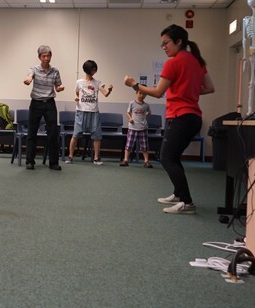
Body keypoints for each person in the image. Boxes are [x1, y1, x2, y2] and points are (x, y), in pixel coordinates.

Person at [123, 24, 215, 215]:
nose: (164, 47)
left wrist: (134, 84)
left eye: (166, 43)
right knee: (173, 157)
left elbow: (157, 92)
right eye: (162, 44)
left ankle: (187, 203)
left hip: (181, 117)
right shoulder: (197, 60)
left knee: (166, 157)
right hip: (193, 118)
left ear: (179, 41)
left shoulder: (173, 62)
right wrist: (187, 88)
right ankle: (178, 194)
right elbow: (209, 88)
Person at [22, 45, 65, 170]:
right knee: (32, 133)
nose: (46, 58)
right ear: (39, 57)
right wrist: (28, 79)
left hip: (50, 103)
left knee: (53, 133)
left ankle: (53, 162)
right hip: (36, 103)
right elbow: (29, 76)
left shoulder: (55, 71)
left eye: (48, 56)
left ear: (51, 56)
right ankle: (30, 161)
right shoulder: (34, 69)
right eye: (44, 56)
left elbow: (58, 86)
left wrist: (60, 88)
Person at [65, 60, 112, 165]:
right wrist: (76, 98)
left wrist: (109, 90)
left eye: (95, 69)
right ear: (87, 70)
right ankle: (70, 157)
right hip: (81, 111)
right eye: (93, 69)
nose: (94, 71)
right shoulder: (79, 82)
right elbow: (76, 93)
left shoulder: (98, 82)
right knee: (75, 134)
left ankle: (96, 158)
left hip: (94, 112)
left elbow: (105, 94)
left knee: (97, 136)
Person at [121, 89, 152, 168]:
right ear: (136, 93)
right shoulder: (132, 103)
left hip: (143, 128)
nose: (142, 95)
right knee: (129, 145)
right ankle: (125, 160)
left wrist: (145, 117)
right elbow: (127, 112)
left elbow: (149, 113)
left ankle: (146, 161)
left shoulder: (146, 105)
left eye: (144, 94)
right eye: (140, 93)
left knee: (144, 146)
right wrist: (130, 118)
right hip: (132, 128)